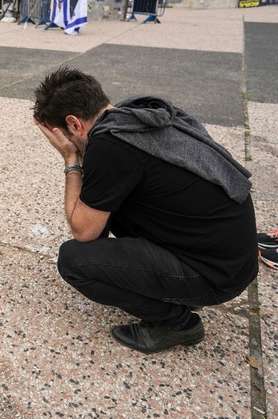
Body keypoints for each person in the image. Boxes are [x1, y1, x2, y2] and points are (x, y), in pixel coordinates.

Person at [33, 67, 258, 354]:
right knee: (110, 205)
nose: (62, 143)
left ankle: (178, 324)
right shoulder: (137, 117)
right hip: (232, 260)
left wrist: (71, 159)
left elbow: (84, 231)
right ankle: (176, 291)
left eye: (61, 136)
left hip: (216, 276)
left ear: (74, 125)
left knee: (74, 261)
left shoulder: (110, 145)